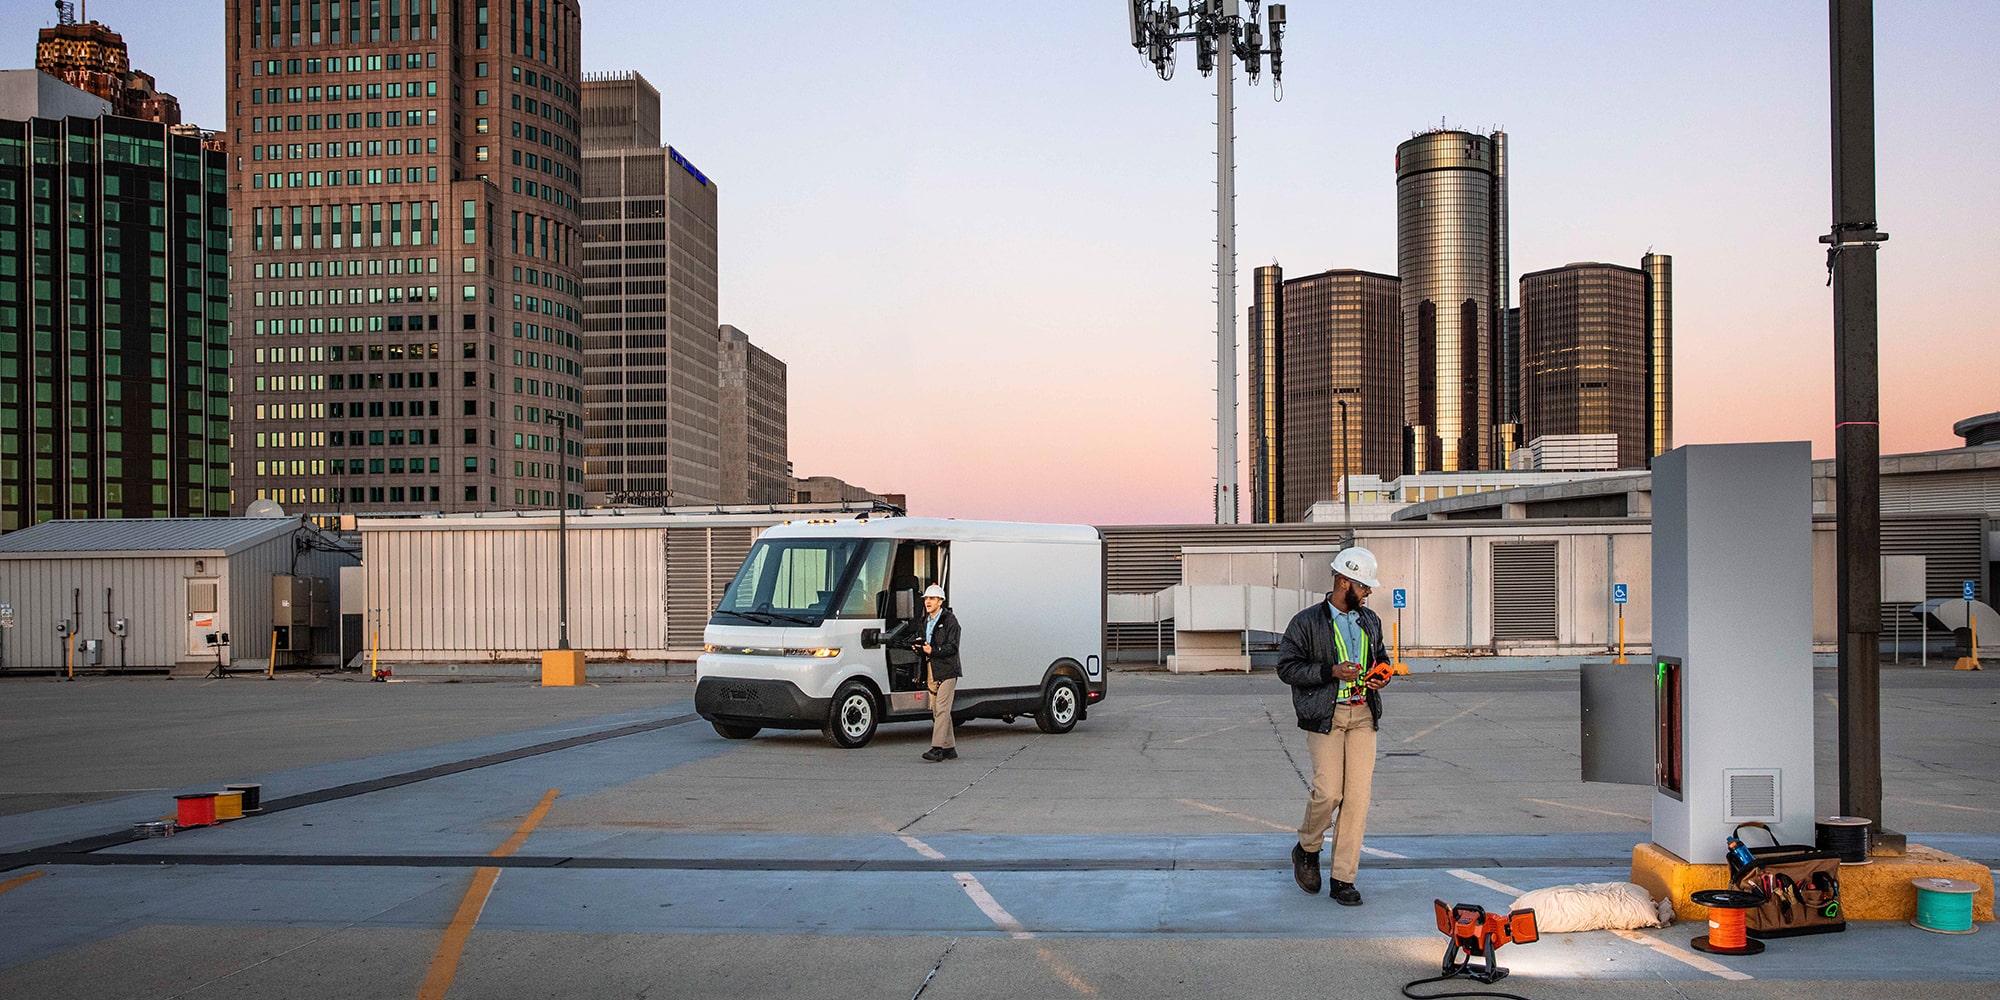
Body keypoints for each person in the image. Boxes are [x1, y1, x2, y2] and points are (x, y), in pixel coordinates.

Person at [1277, 545, 1393, 906]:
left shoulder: (1369, 621)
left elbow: (1382, 656)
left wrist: (1381, 675)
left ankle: (1343, 877)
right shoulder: (1307, 622)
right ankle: (1307, 848)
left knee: (1357, 799)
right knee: (1329, 793)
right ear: (1344, 582)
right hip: (1325, 716)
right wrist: (1331, 672)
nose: (1369, 592)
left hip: (1362, 715)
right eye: (1363, 585)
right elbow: (1287, 668)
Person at [897, 584, 961, 762]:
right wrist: (918, 648)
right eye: (926, 599)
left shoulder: (950, 621)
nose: (928, 602)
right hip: (931, 669)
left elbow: (953, 647)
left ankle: (937, 748)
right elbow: (925, 645)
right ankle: (949, 748)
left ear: (940, 601)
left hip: (947, 670)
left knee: (941, 708)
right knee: (937, 709)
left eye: (932, 599)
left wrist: (932, 650)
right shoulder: (925, 621)